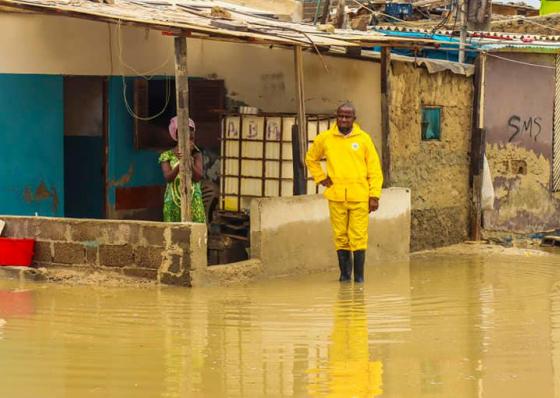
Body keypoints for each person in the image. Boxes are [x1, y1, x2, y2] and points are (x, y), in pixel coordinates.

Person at [305, 103, 383, 283]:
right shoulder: (325, 138)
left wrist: (374, 196)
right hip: (336, 195)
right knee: (340, 236)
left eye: (348, 117)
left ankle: (359, 278)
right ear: (336, 117)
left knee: (358, 237)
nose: (344, 119)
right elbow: (311, 158)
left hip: (360, 197)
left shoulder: (364, 139)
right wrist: (321, 178)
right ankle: (344, 276)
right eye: (341, 116)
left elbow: (374, 169)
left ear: (354, 119)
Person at [159, 116, 206, 224]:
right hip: (173, 203)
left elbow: (198, 177)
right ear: (177, 137)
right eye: (186, 138)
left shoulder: (197, 154)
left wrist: (188, 159)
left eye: (192, 138)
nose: (190, 142)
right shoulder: (167, 155)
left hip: (193, 202)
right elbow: (168, 178)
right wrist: (180, 164)